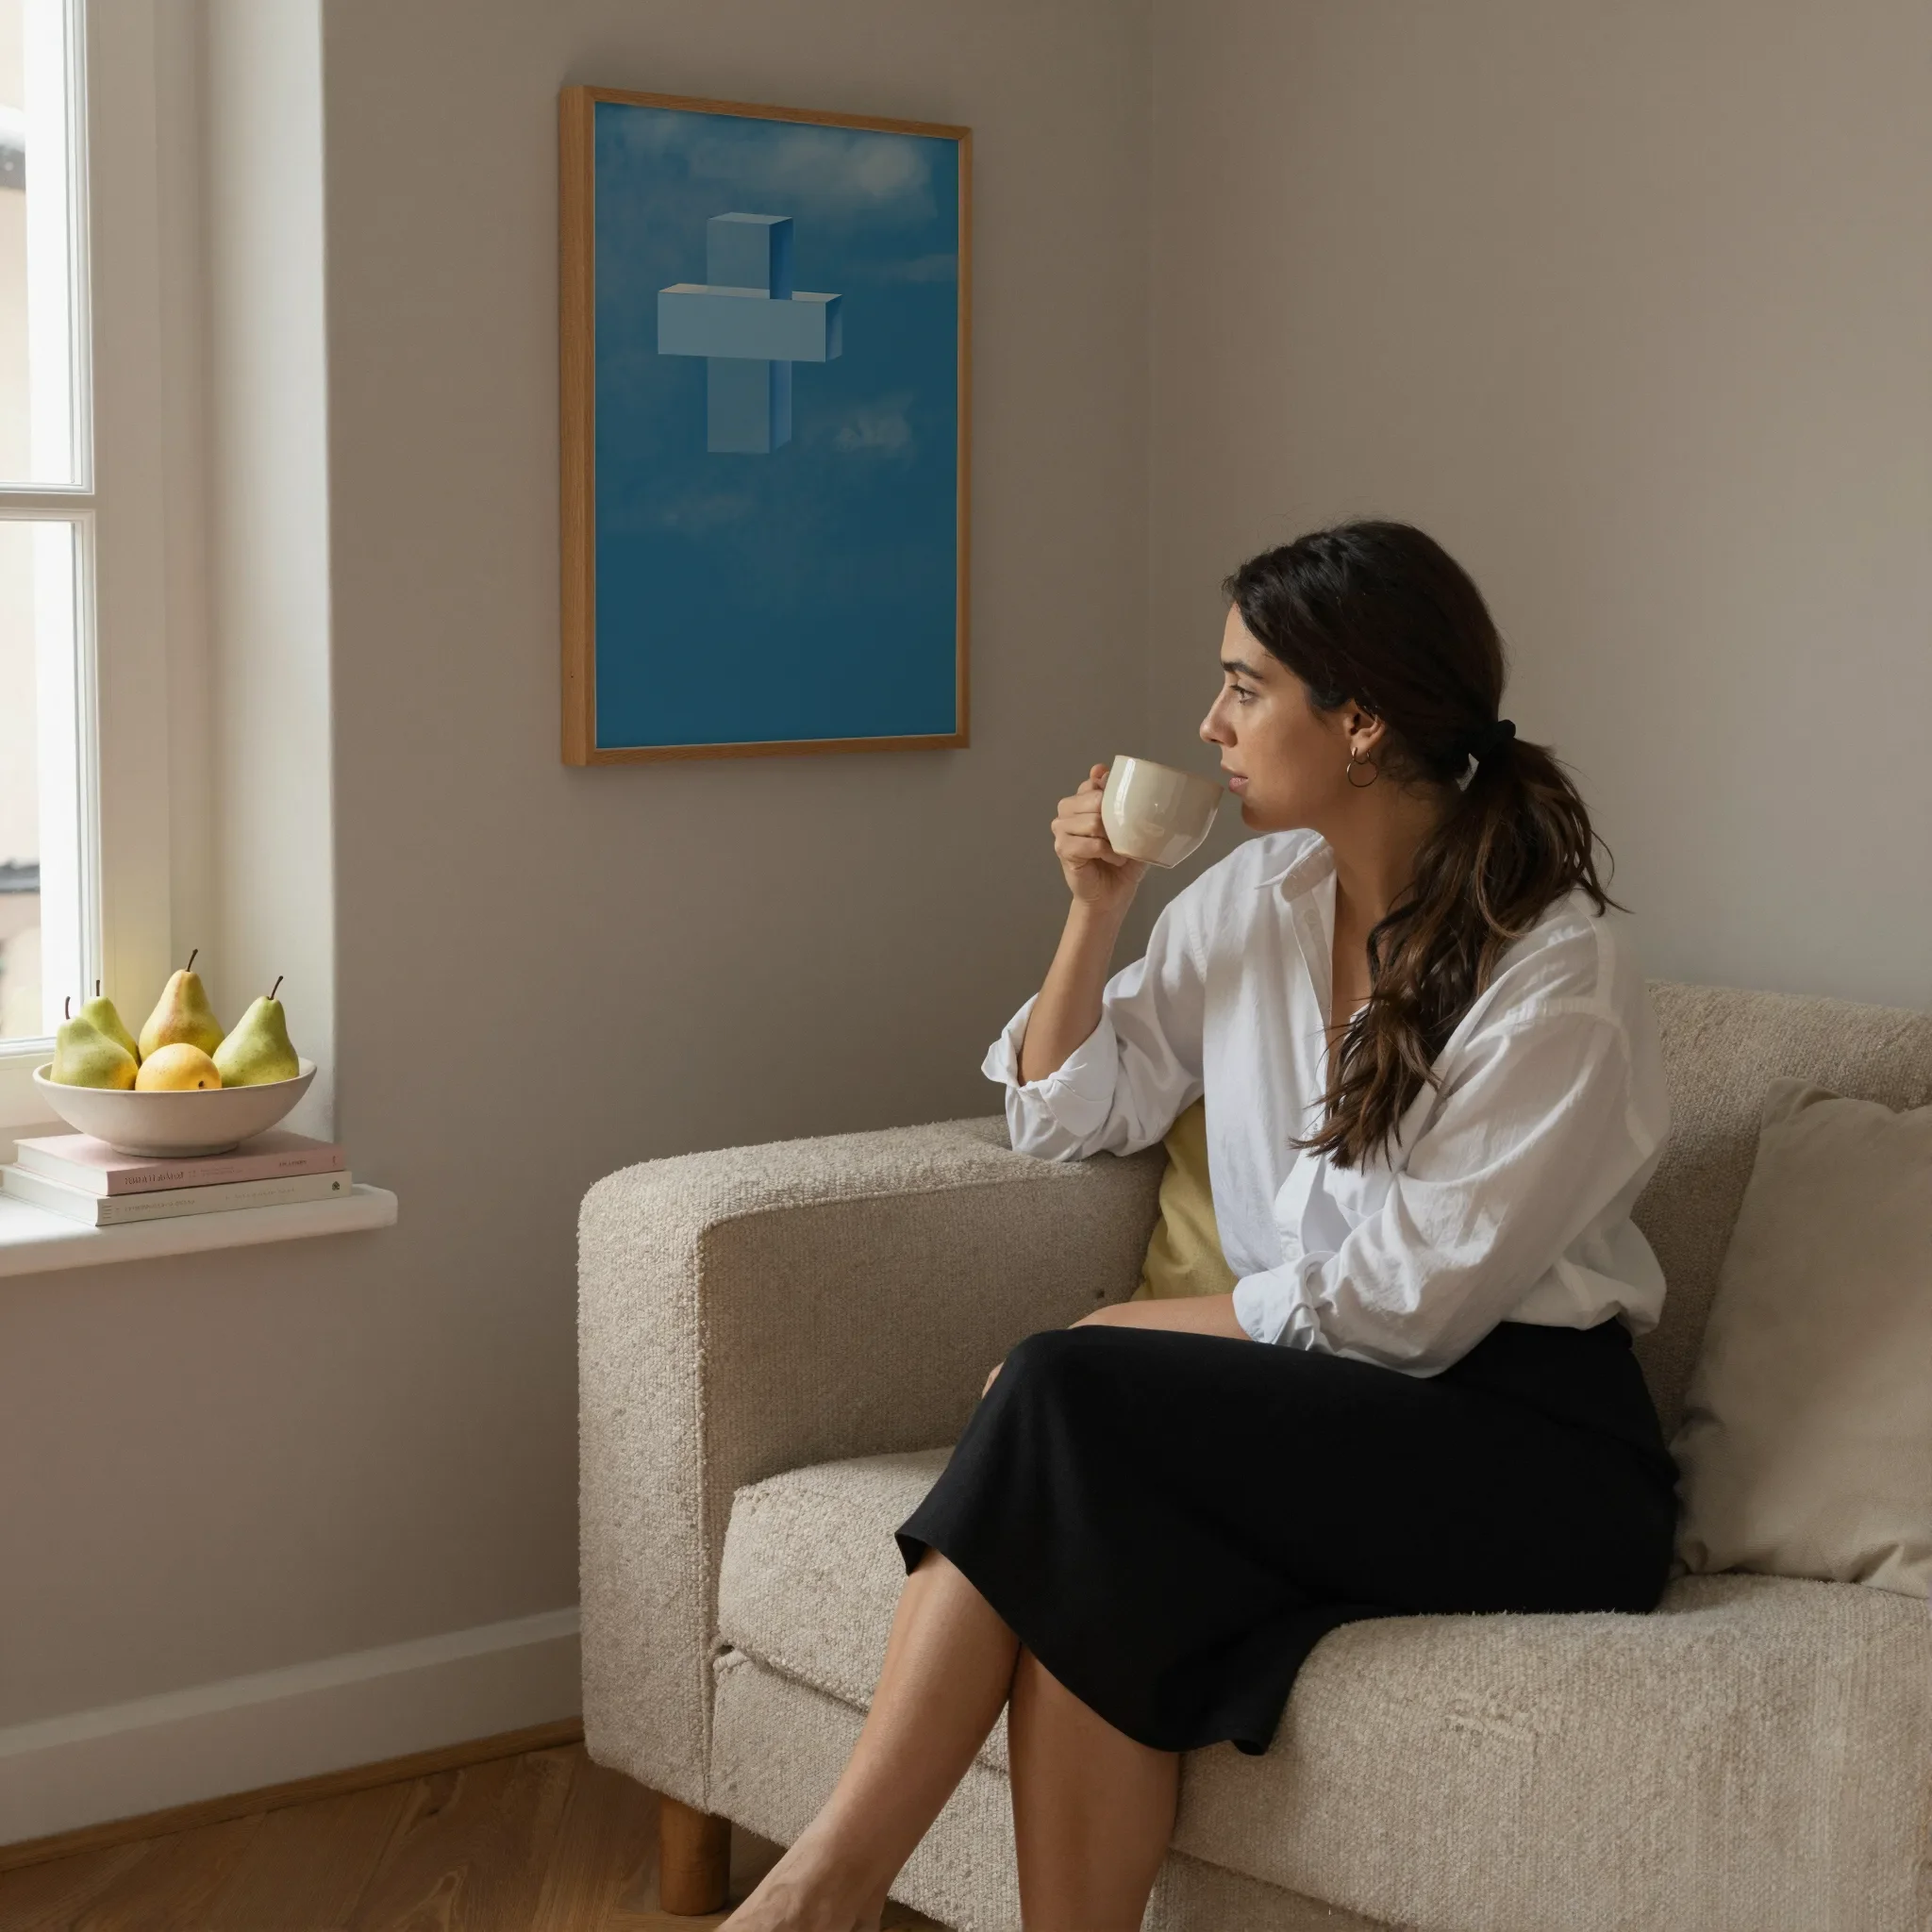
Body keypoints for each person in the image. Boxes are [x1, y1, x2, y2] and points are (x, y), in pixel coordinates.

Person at [722, 520, 1679, 1932]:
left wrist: (1122, 1332)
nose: (1208, 724)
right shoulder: (1251, 902)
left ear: (1360, 721)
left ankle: (821, 1894)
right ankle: (835, 1899)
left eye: (1244, 687)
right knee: (1094, 1541)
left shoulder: (1557, 976)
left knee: (1064, 1391)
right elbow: (1067, 1115)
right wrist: (1095, 912)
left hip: (1530, 1455)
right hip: (1328, 1416)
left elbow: (1404, 1306)